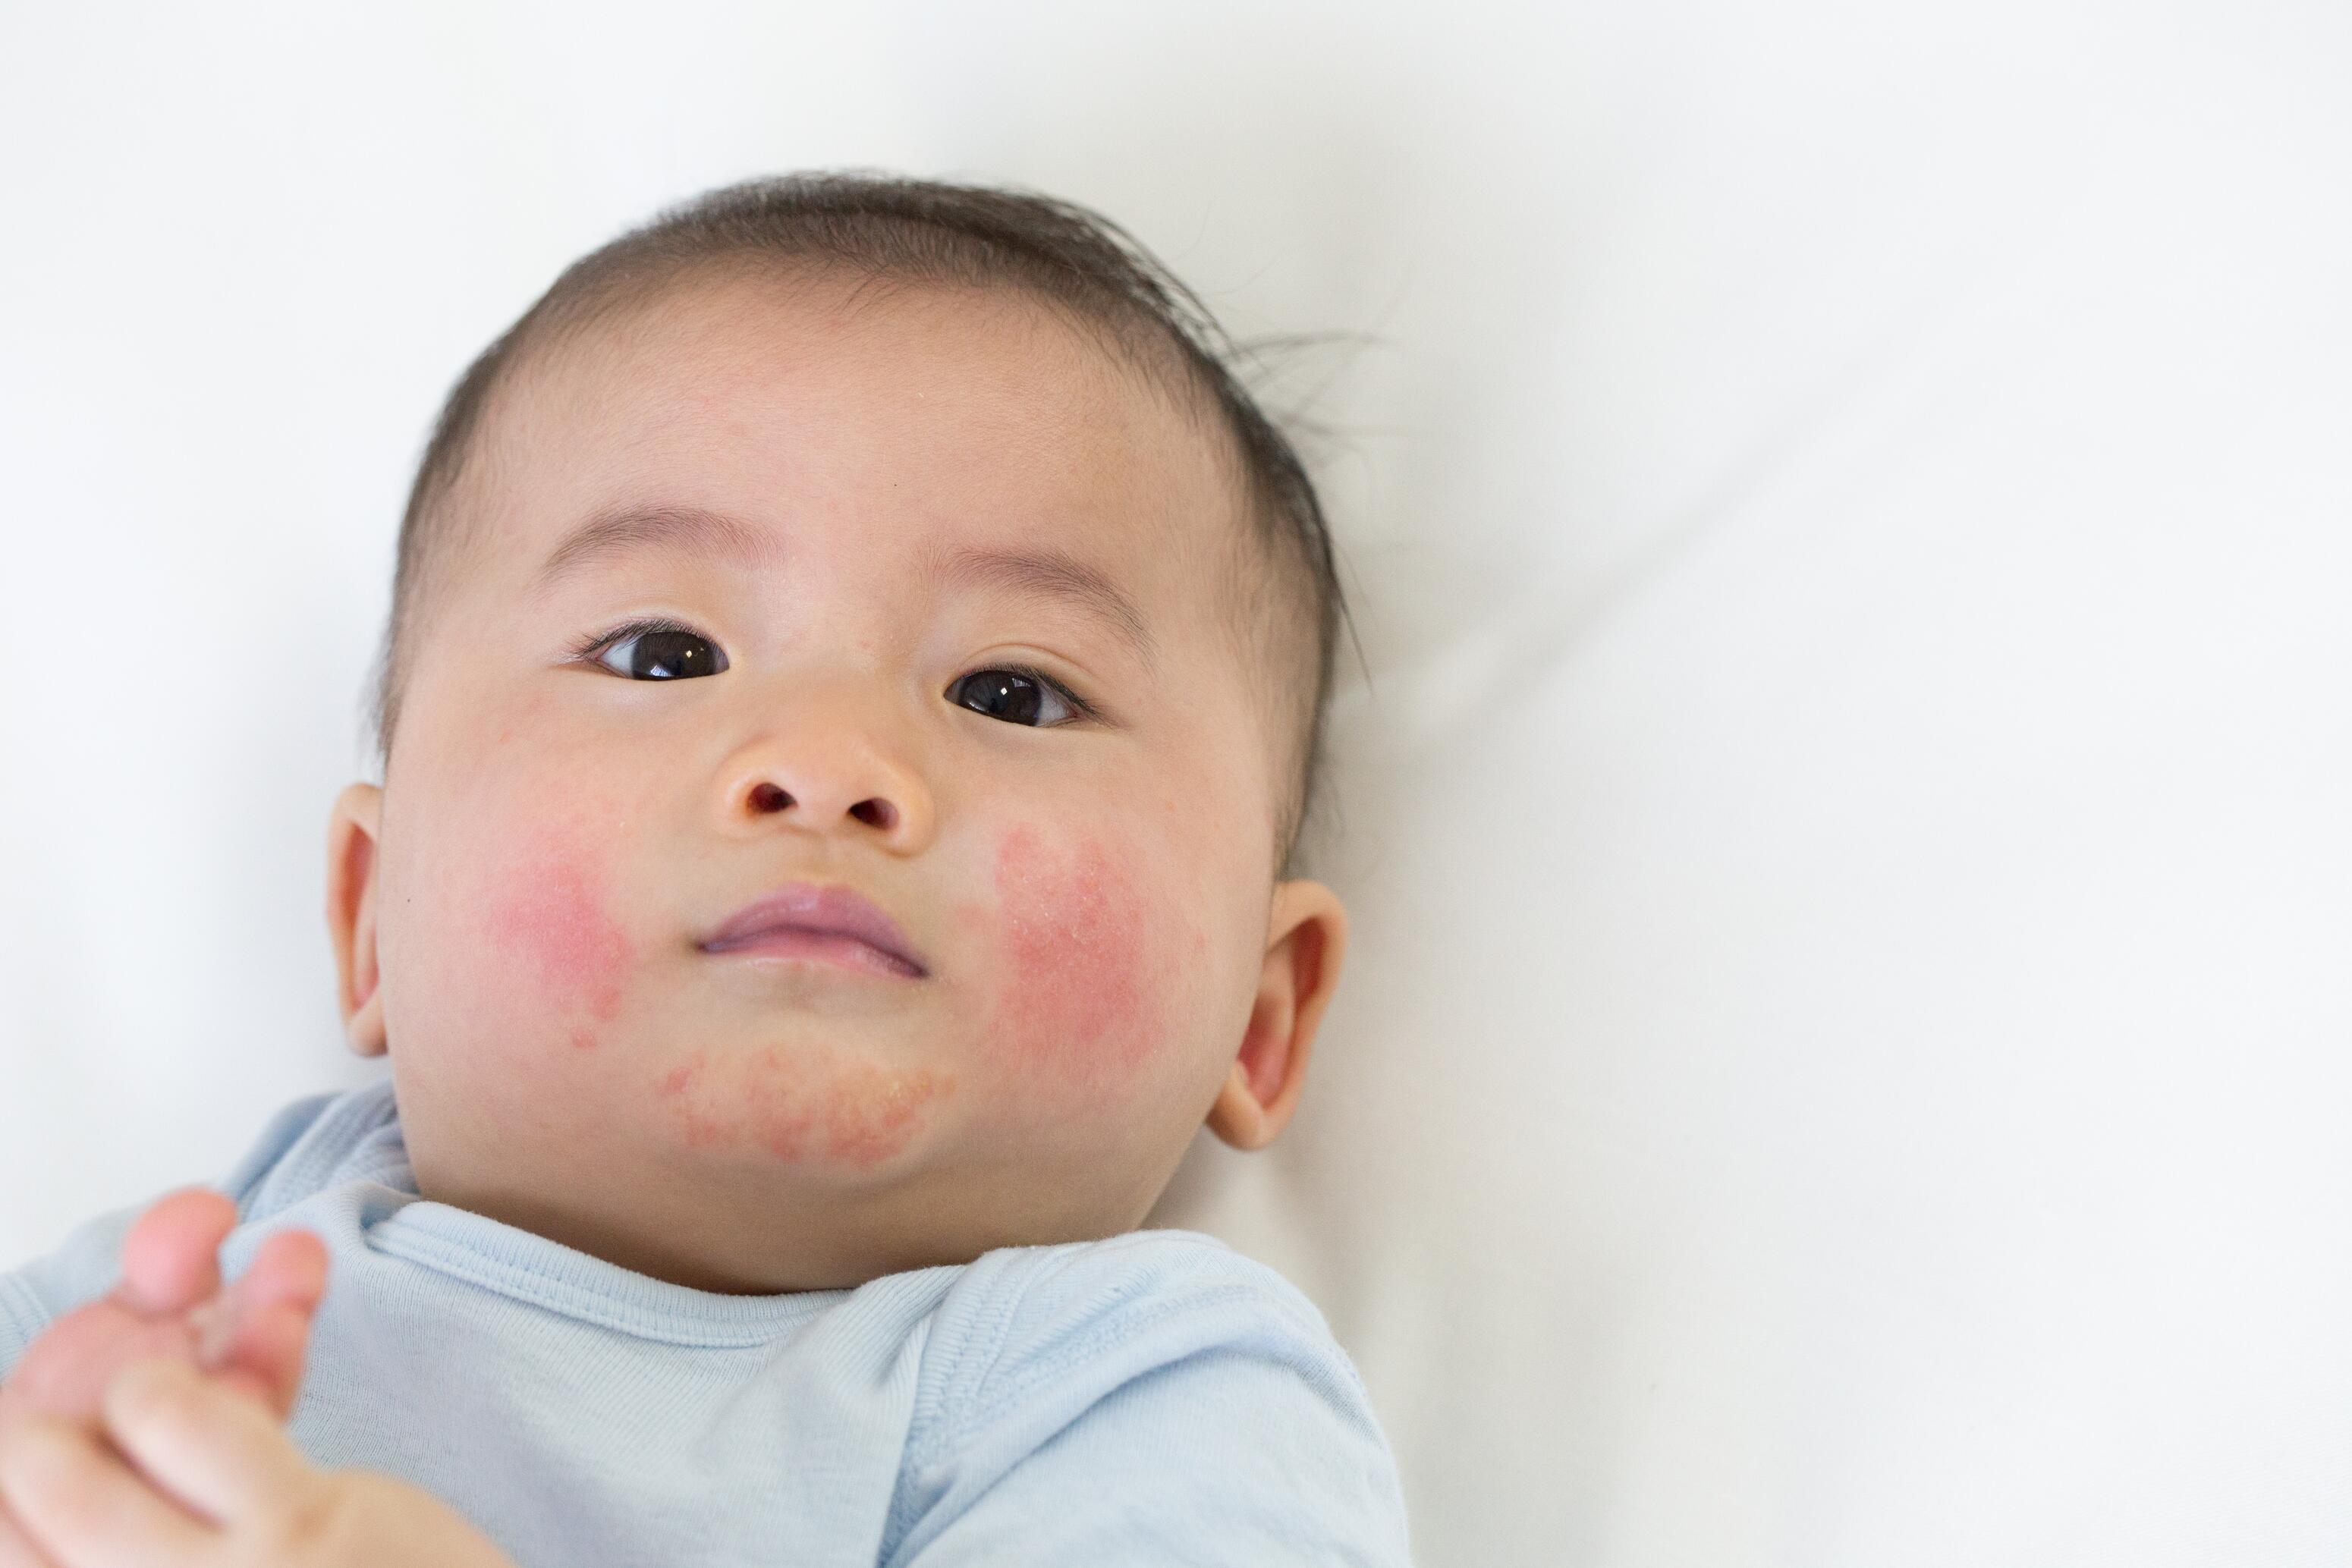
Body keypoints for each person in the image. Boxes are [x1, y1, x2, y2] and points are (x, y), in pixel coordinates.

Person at [0, 171, 1412, 1566]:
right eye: (663, 655)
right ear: (377, 918)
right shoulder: (185, 1285)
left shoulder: (1133, 1391)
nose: (828, 761)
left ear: (1257, 1013)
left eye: (1011, 693)